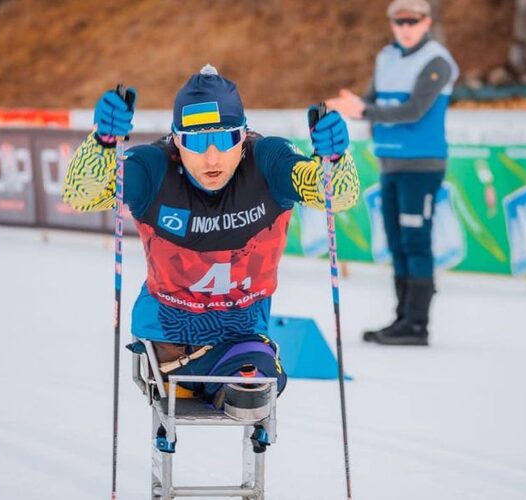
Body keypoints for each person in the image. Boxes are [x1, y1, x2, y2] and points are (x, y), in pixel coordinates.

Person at [62, 65, 358, 414]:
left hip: (239, 339)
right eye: (198, 142)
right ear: (176, 140)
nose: (212, 157)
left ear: (244, 135)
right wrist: (102, 143)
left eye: (225, 139)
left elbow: (336, 196)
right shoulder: (153, 167)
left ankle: (227, 384)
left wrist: (335, 160)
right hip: (168, 343)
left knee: (252, 396)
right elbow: (80, 195)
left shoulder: (270, 161)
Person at [326, 0, 458, 346]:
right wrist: (352, 108)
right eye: (399, 22)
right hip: (389, 163)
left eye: (412, 21)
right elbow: (370, 102)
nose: (405, 28)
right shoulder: (386, 57)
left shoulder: (437, 61)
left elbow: (414, 110)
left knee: (416, 241)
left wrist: (365, 109)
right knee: (398, 243)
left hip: (422, 164)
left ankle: (417, 324)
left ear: (427, 22)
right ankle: (402, 318)